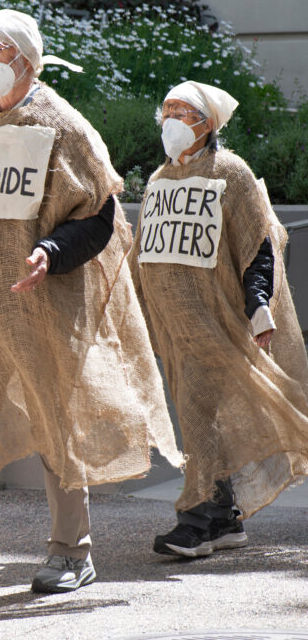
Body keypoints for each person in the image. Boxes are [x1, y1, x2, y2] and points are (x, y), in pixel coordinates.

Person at [0, 9, 182, 597]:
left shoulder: (63, 126)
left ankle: (70, 550)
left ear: (26, 59)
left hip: (42, 308)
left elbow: (101, 213)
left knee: (58, 423)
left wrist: (51, 253)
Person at [132, 80, 308, 558]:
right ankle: (225, 518)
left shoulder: (231, 172)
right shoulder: (159, 179)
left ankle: (195, 521)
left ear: (208, 124)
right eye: (166, 109)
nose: (170, 119)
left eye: (182, 112)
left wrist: (258, 308)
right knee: (203, 419)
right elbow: (144, 250)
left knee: (198, 416)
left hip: (219, 323)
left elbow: (259, 246)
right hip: (175, 328)